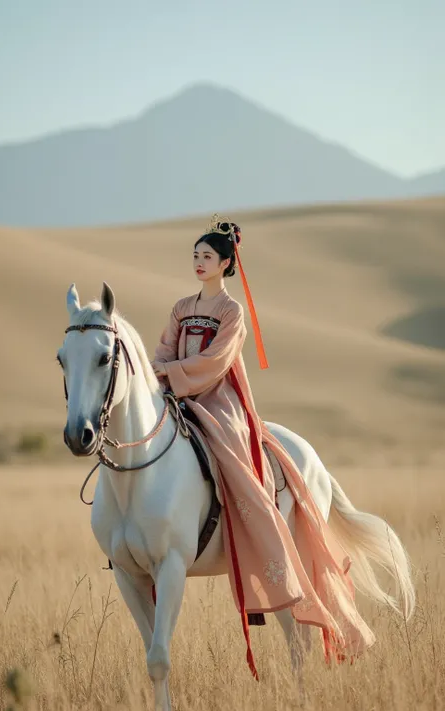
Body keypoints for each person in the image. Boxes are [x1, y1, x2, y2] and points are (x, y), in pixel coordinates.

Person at [151, 214, 375, 678]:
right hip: (175, 393)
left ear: (226, 263)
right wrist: (160, 376)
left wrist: (172, 375)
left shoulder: (231, 313)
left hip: (220, 400)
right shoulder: (179, 306)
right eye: (194, 256)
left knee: (230, 452)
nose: (198, 263)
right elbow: (163, 350)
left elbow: (214, 362)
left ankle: (255, 526)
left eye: (206, 257)